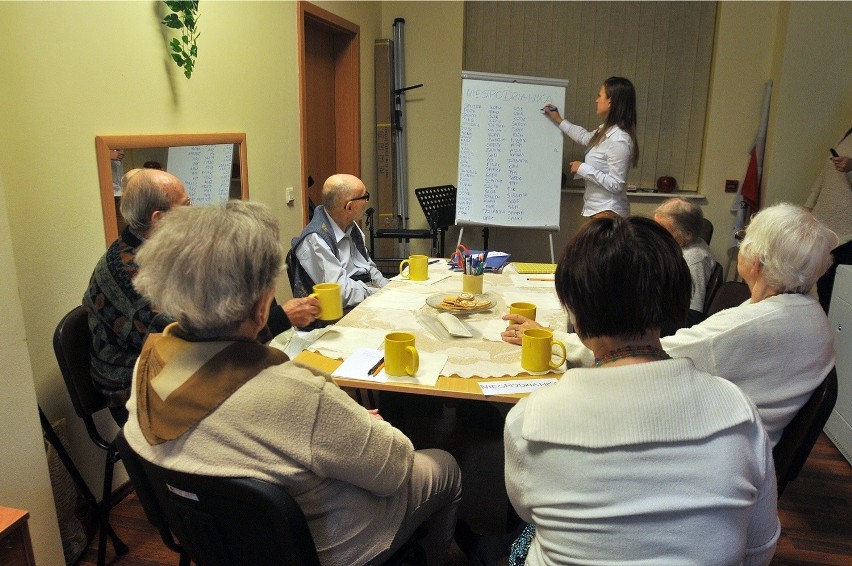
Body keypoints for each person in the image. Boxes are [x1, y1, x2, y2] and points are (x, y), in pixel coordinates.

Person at [124, 201, 462, 566]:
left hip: (213, 541)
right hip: (321, 549)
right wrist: (370, 426)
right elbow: (394, 471)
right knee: (444, 466)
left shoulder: (148, 363)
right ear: (260, 308)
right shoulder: (297, 393)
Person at [501, 216, 779, 565]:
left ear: (574, 313)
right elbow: (758, 548)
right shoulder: (739, 412)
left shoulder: (528, 420)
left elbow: (528, 510)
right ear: (677, 300)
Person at [503, 203, 837, 447]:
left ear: (757, 260)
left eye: (743, 237)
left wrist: (549, 339)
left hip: (709, 445)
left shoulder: (755, 324)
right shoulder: (811, 313)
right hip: (735, 442)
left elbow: (643, 357)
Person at [83, 169, 318, 426]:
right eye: (186, 205)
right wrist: (280, 317)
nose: (194, 211)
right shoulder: (133, 278)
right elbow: (199, 345)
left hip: (176, 365)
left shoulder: (155, 249)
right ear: (159, 218)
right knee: (272, 414)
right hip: (138, 388)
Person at [543, 76, 639, 219]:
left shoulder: (619, 139)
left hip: (609, 214)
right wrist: (558, 119)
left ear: (610, 101)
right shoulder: (605, 131)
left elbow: (617, 184)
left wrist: (583, 168)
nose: (596, 100)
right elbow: (583, 137)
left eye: (600, 95)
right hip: (599, 212)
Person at [291, 173, 389, 308]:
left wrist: (388, 288)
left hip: (364, 296)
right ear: (349, 206)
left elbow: (368, 266)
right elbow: (340, 293)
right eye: (365, 196)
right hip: (338, 312)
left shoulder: (351, 226)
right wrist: (378, 294)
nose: (367, 201)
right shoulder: (315, 240)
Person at [805, 126, 852, 313]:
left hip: (848, 233)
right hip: (828, 227)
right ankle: (824, 337)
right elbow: (825, 174)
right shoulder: (847, 133)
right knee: (824, 288)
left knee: (840, 294)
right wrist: (809, 206)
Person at [654, 197, 716, 325]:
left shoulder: (694, 259)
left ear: (687, 234)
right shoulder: (677, 246)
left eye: (664, 230)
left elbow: (692, 314)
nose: (656, 235)